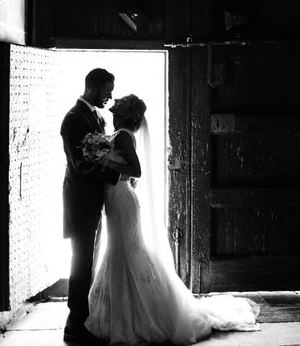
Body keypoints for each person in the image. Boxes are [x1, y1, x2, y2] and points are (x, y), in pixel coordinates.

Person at [85, 94, 260, 346]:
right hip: (116, 199)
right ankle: (122, 311)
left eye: (119, 105)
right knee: (122, 250)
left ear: (126, 114)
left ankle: (139, 316)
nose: (114, 105)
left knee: (126, 250)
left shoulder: (123, 134)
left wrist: (104, 161)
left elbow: (136, 171)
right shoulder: (117, 134)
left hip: (122, 200)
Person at [60, 68, 120, 345]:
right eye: (107, 91)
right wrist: (115, 175)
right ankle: (75, 324)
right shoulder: (74, 119)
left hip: (92, 201)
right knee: (81, 262)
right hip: (80, 202)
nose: (110, 97)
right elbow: (81, 164)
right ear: (93, 88)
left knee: (88, 261)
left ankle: (83, 318)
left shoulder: (94, 116)